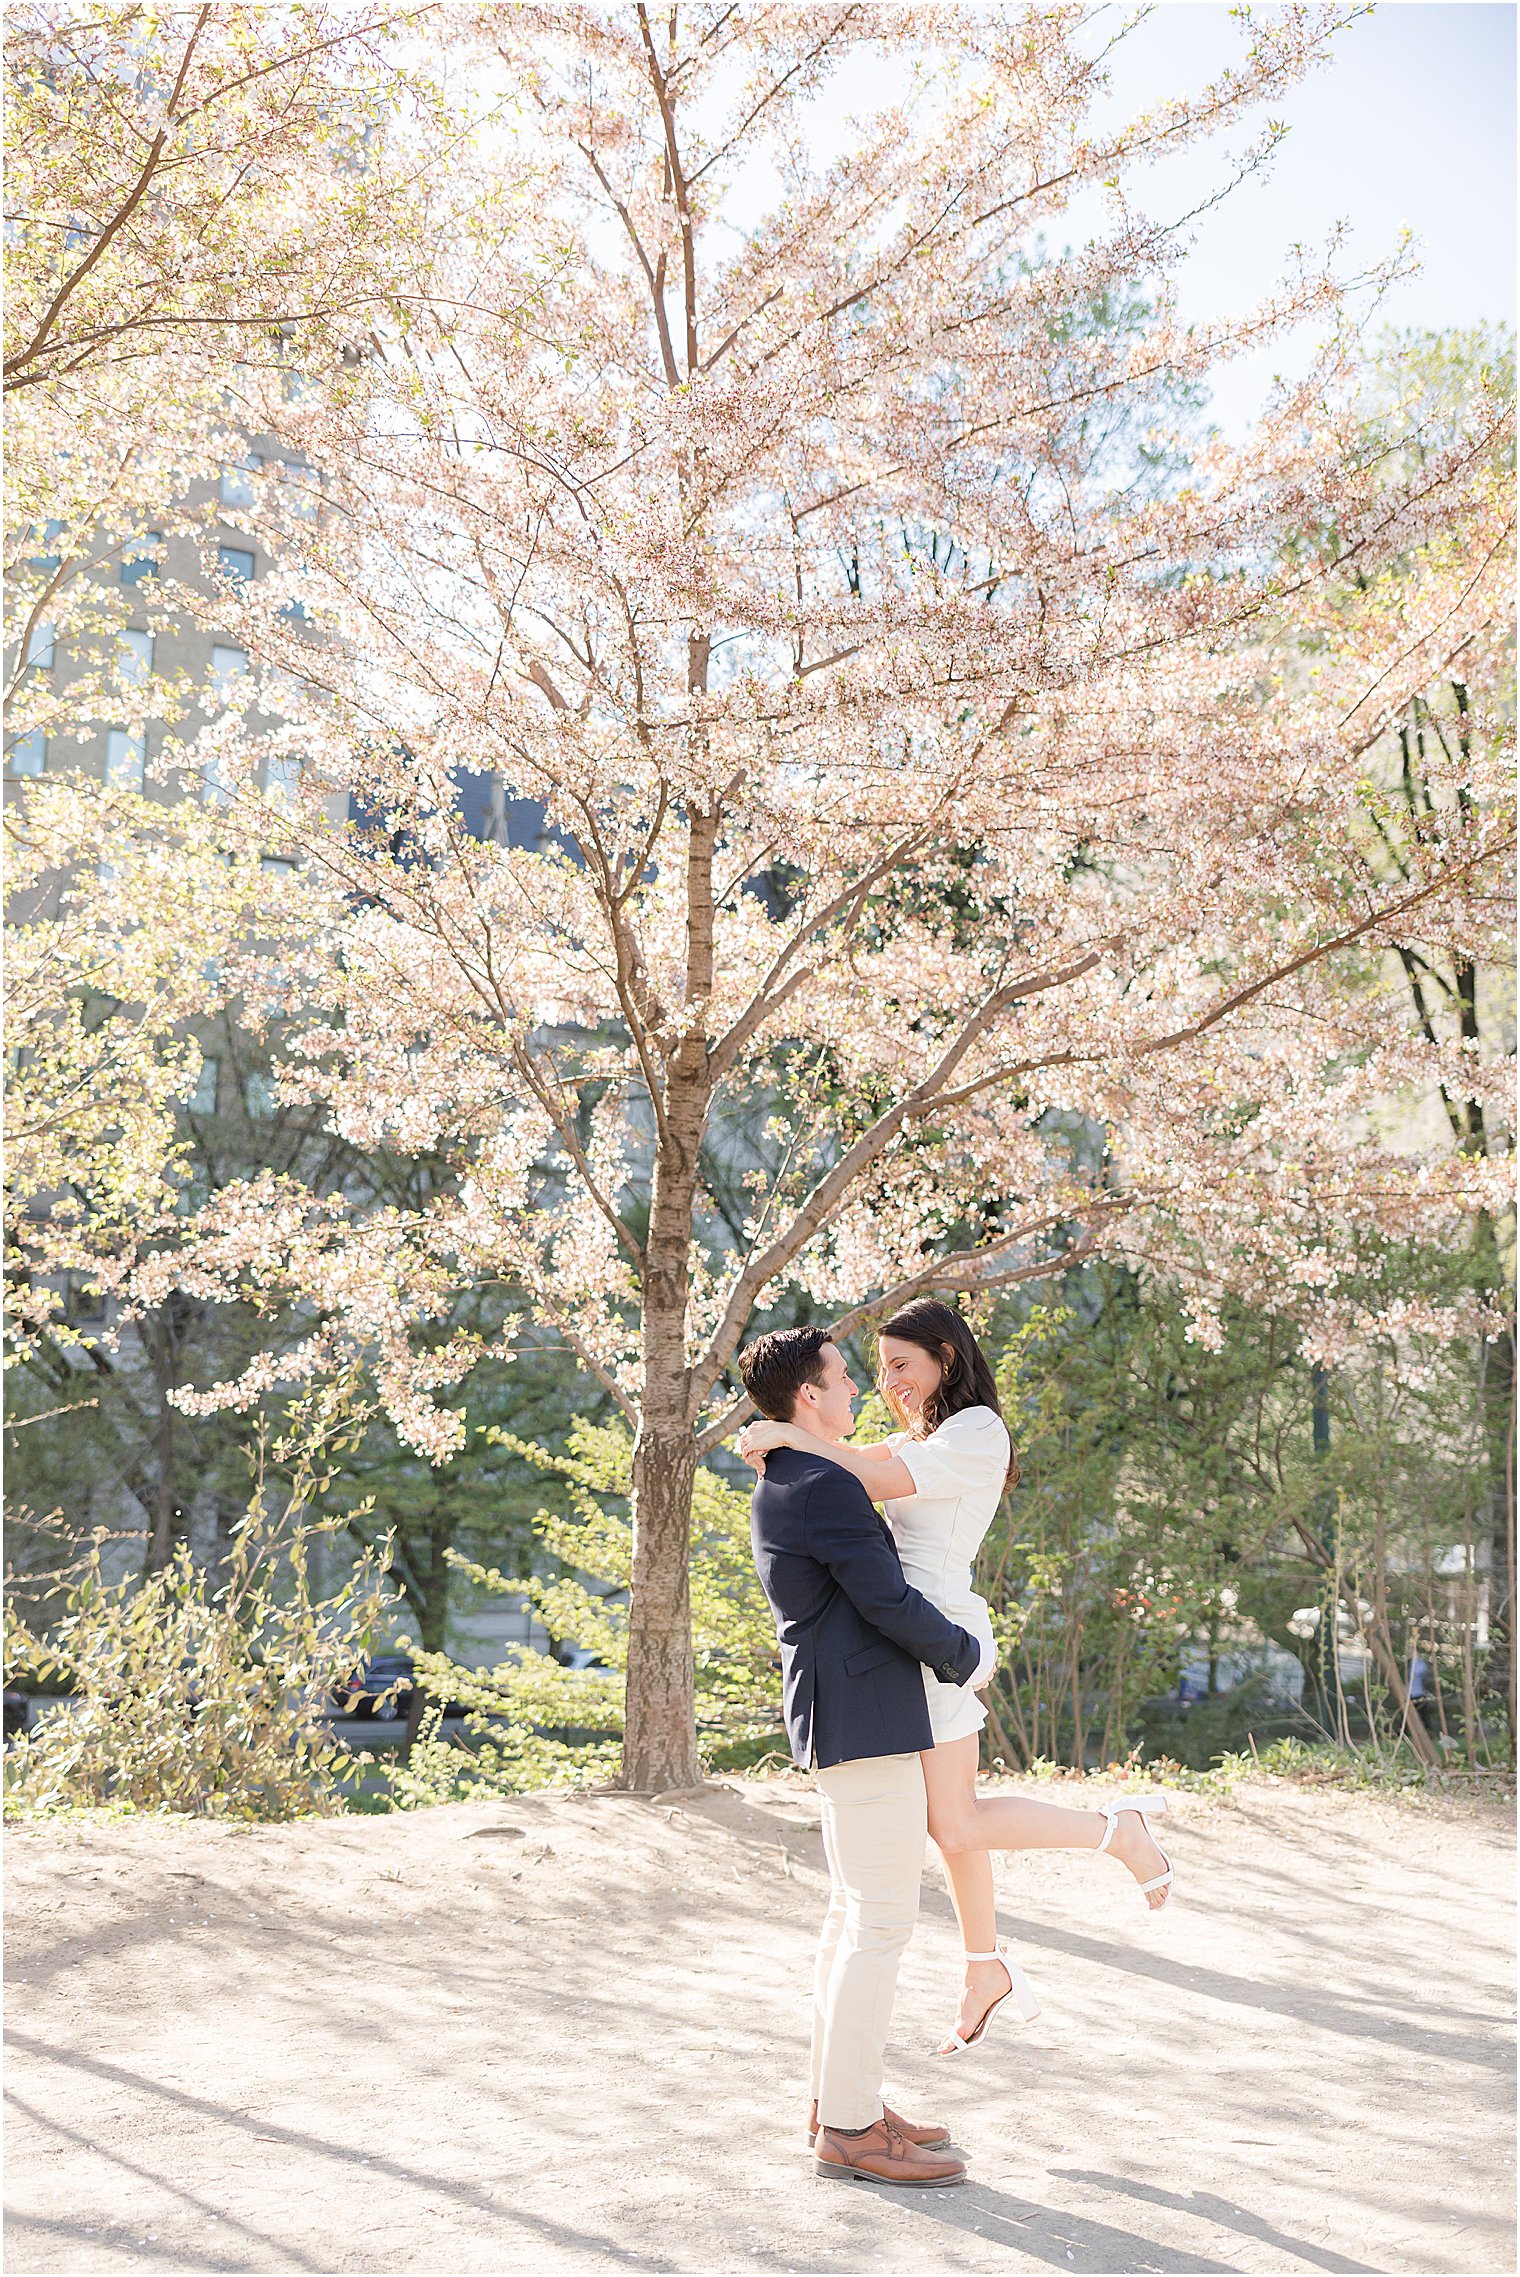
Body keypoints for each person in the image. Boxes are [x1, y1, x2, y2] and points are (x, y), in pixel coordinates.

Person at [738, 1299, 1174, 2059]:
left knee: (958, 1822)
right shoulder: (921, 1434)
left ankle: (1119, 1833)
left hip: (935, 1631)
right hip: (906, 1638)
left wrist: (781, 1432)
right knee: (957, 1817)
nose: (889, 1383)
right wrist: (795, 1436)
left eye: (903, 1365)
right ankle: (984, 1967)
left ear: (946, 1353)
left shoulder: (977, 1431)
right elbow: (854, 1460)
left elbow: (865, 1480)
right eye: (878, 1371)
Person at [739, 1322, 984, 2188]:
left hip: (842, 1711)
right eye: (844, 1379)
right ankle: (847, 2127)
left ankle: (839, 2099)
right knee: (878, 1923)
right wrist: (964, 1654)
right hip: (864, 1713)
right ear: (810, 1395)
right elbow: (884, 1599)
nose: (856, 1391)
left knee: (852, 1919)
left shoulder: (792, 1472)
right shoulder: (820, 1484)